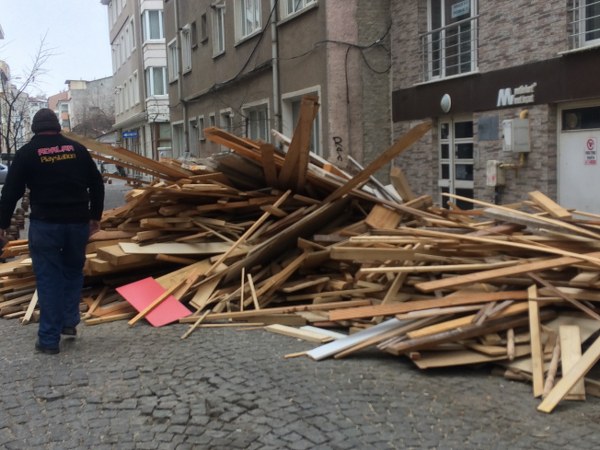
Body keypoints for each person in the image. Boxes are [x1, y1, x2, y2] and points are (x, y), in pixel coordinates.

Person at [0, 108, 105, 355]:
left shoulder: (27, 153)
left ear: (35, 129)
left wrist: (2, 224)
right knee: (72, 272)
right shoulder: (77, 150)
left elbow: (10, 192)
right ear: (57, 127)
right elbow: (96, 183)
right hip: (77, 223)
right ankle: (69, 322)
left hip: (46, 224)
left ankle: (48, 340)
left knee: (49, 278)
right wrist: (95, 217)